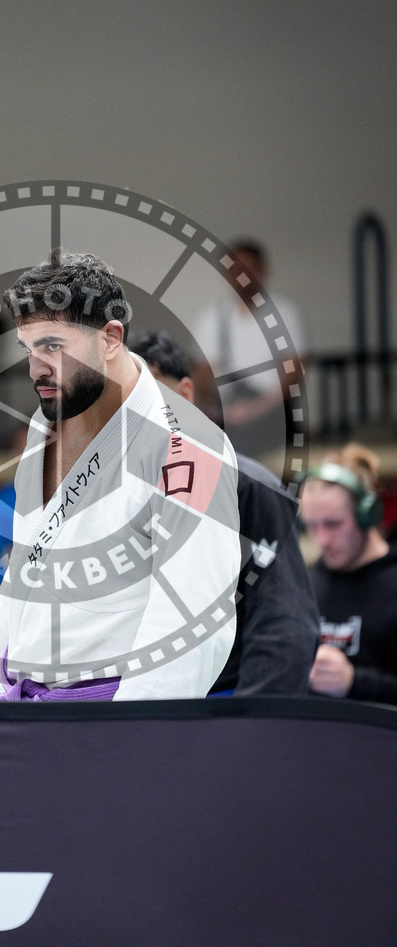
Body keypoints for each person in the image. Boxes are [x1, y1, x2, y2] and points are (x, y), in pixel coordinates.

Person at [0, 249, 240, 702]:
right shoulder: (44, 428)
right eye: (28, 349)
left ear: (110, 338)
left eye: (52, 346)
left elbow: (193, 626)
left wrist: (121, 746)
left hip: (108, 728)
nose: (35, 369)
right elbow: (18, 592)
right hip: (23, 722)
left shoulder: (189, 446)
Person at [130, 331, 319, 696]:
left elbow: (283, 627)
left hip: (223, 708)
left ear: (184, 394)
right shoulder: (108, 495)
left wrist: (250, 733)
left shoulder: (247, 487)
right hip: (134, 711)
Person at [299, 443, 397, 704]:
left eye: (333, 524)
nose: (323, 540)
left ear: (367, 514)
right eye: (312, 526)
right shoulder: (309, 584)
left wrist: (354, 681)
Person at [193, 239, 306, 460]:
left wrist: (256, 409)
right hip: (230, 411)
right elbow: (203, 370)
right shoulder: (213, 317)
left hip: (273, 409)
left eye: (248, 268)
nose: (241, 276)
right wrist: (214, 409)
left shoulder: (285, 312)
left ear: (262, 271)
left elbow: (294, 371)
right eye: (235, 269)